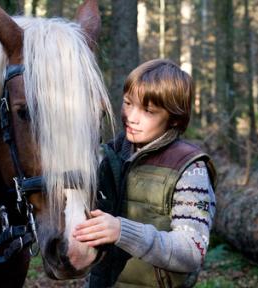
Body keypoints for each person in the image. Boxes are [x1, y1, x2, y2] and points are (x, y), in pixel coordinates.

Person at [73, 59, 217, 288]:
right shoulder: (110, 155)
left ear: (175, 118)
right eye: (128, 103)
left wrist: (122, 231)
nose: (132, 117)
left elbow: (192, 250)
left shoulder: (190, 168)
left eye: (148, 111)